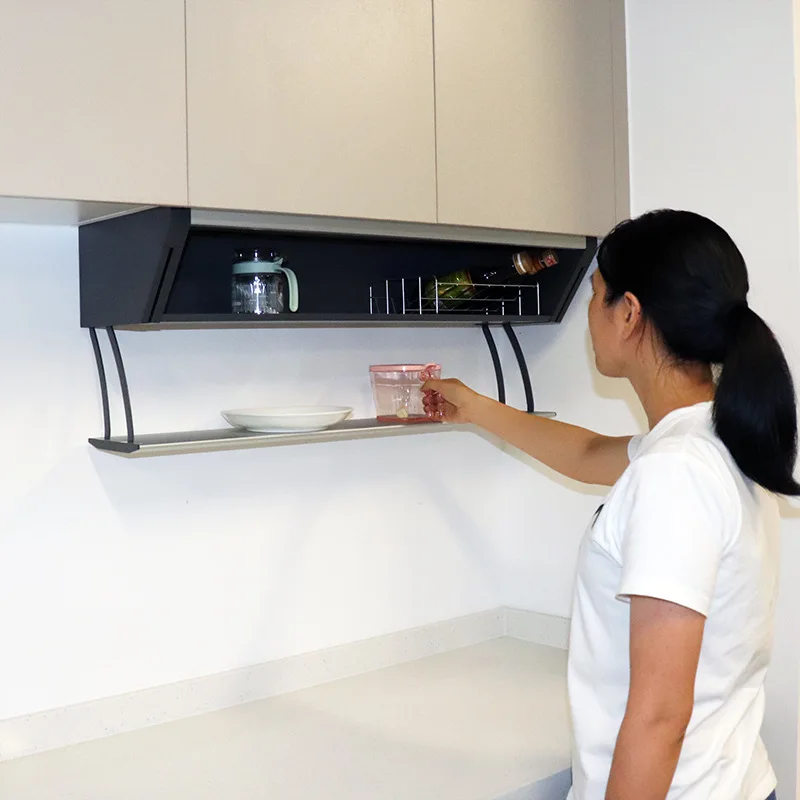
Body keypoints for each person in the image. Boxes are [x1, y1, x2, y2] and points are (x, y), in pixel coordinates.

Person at [422, 210, 796, 800]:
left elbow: (659, 716)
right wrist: (473, 406)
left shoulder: (676, 475)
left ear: (629, 314)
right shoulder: (711, 438)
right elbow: (589, 451)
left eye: (597, 296)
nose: (590, 317)